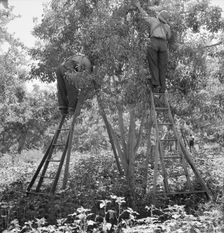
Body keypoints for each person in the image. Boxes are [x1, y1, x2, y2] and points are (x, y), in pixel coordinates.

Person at [134, 0, 171, 93]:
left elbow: (144, 15)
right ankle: (163, 88)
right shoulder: (167, 26)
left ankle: (156, 84)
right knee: (162, 67)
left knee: (153, 63)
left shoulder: (153, 20)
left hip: (153, 42)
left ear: (159, 16)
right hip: (163, 45)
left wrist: (139, 7)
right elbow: (169, 37)